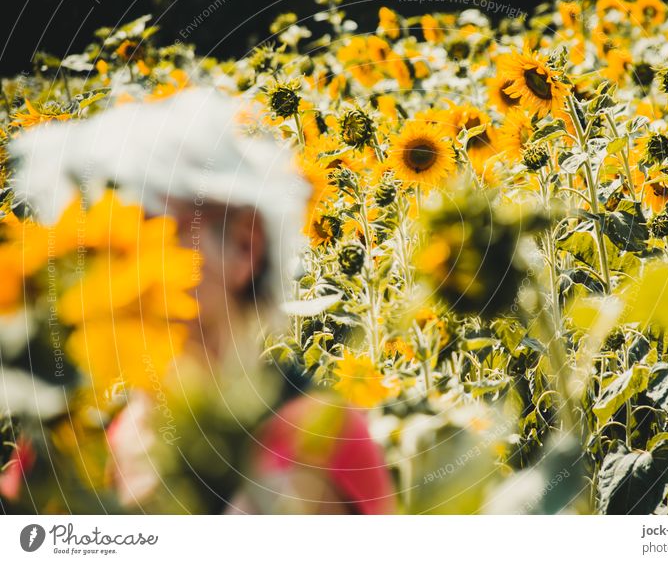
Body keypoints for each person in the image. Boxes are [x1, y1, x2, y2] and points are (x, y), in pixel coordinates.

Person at [9, 88, 395, 514]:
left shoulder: (314, 443)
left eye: (134, 237)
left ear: (243, 247)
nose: (96, 278)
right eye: (83, 250)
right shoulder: (64, 448)